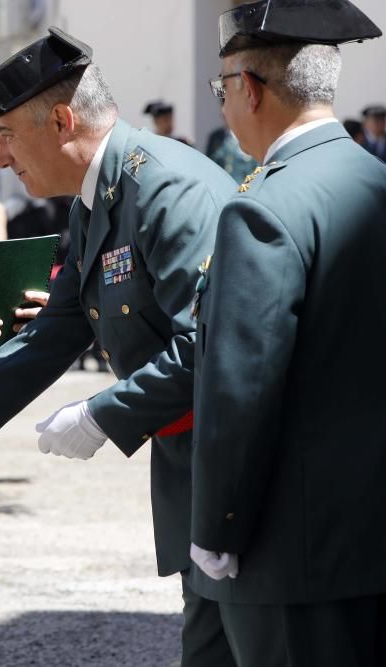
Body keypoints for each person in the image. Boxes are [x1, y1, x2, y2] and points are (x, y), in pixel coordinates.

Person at [0, 27, 239, 665]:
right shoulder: (99, 197)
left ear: (60, 120)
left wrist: (101, 414)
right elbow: (60, 326)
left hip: (238, 467)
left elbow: (207, 347)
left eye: (6, 135)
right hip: (196, 459)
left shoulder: (164, 190)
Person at [189, 2, 386, 663]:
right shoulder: (375, 182)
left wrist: (216, 527)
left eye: (222, 89)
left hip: (293, 553)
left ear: (247, 87)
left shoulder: (262, 208)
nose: (223, 104)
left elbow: (241, 389)